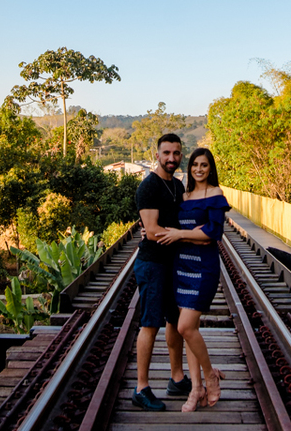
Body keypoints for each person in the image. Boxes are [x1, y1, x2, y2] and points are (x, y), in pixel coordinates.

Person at [155, 147, 231, 411]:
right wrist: (153, 232)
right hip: (182, 266)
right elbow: (173, 227)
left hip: (204, 268)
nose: (199, 169)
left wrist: (181, 234)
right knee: (190, 331)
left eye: (204, 165)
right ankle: (196, 389)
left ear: (211, 168)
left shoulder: (216, 195)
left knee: (185, 327)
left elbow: (212, 233)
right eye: (195, 165)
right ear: (190, 168)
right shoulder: (184, 196)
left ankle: (210, 376)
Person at [131, 133, 189, 411]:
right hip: (152, 264)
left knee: (175, 320)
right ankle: (141, 387)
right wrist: (178, 234)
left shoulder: (177, 186)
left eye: (176, 153)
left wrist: (179, 234)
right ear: (157, 154)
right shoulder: (149, 187)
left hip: (172, 263)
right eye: (166, 153)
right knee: (150, 323)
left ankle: (176, 378)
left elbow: (180, 222)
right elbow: (152, 232)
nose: (171, 158)